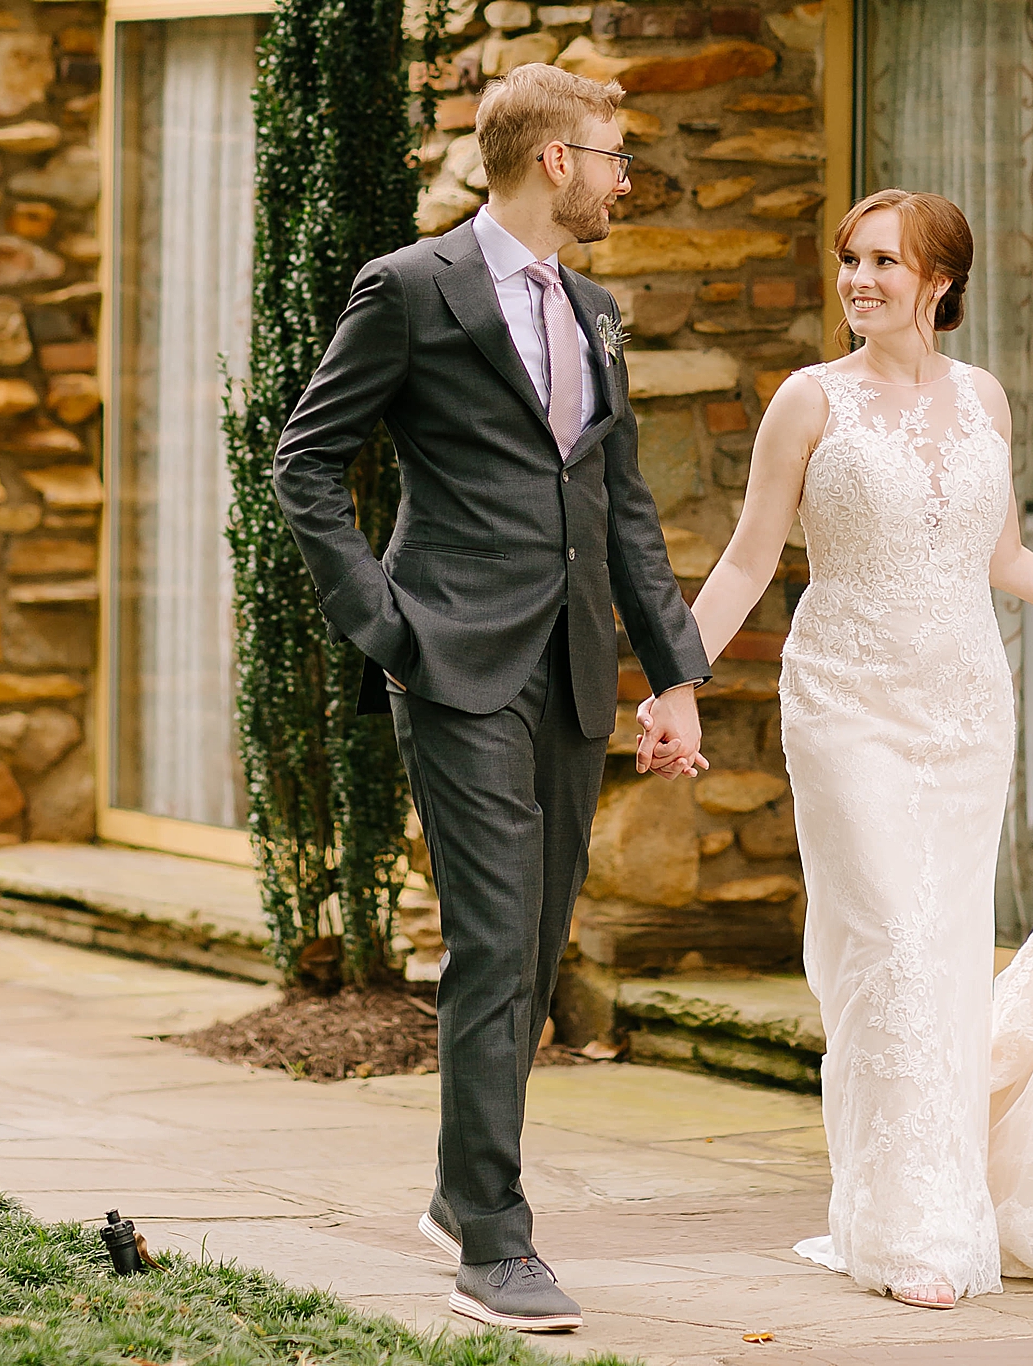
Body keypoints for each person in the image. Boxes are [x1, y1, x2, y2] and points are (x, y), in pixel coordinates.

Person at [646, 189, 1033, 1310]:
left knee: (940, 956)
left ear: (937, 279)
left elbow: (1004, 557)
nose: (857, 280)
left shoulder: (983, 398)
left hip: (965, 709)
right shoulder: (807, 400)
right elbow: (744, 564)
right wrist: (673, 677)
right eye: (848, 260)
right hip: (844, 708)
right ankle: (903, 1226)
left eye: (883, 261)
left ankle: (939, 1199)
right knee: (883, 942)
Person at [272, 63, 711, 1333]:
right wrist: (387, 627)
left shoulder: (593, 306)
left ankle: (460, 1191)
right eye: (613, 153)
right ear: (551, 160)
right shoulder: (410, 290)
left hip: (571, 664)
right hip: (453, 661)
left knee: (532, 943)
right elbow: (306, 461)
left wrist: (671, 670)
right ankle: (497, 1243)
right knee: (491, 934)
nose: (627, 176)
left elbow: (618, 502)